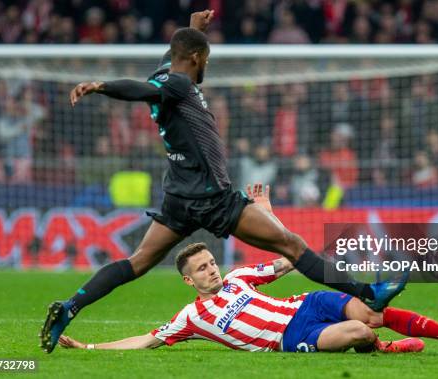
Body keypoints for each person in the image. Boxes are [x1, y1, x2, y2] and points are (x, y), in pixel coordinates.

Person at [40, 11, 407, 353]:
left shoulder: (168, 73)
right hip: (212, 198)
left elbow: (168, 65)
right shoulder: (178, 84)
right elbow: (143, 90)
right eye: (206, 60)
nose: (206, 68)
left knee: (137, 262)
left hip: (178, 198)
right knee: (292, 246)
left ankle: (71, 306)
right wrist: (100, 86)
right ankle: (368, 293)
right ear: (198, 59)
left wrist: (194, 28)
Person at [58, 242, 438, 354]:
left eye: (210, 262)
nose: (211, 269)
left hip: (305, 305)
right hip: (292, 337)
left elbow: (286, 260)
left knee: (369, 311)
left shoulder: (240, 277)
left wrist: (269, 214)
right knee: (359, 333)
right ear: (189, 280)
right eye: (201, 268)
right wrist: (90, 345)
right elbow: (145, 340)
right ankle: (382, 348)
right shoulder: (191, 317)